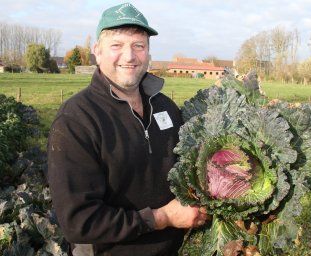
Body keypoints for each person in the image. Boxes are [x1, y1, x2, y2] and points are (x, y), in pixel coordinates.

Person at [47, 3, 208, 256]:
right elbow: (79, 222)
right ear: (97, 52)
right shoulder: (76, 120)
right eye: (116, 45)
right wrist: (162, 218)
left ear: (149, 54)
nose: (130, 56)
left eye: (138, 45)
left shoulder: (166, 108)